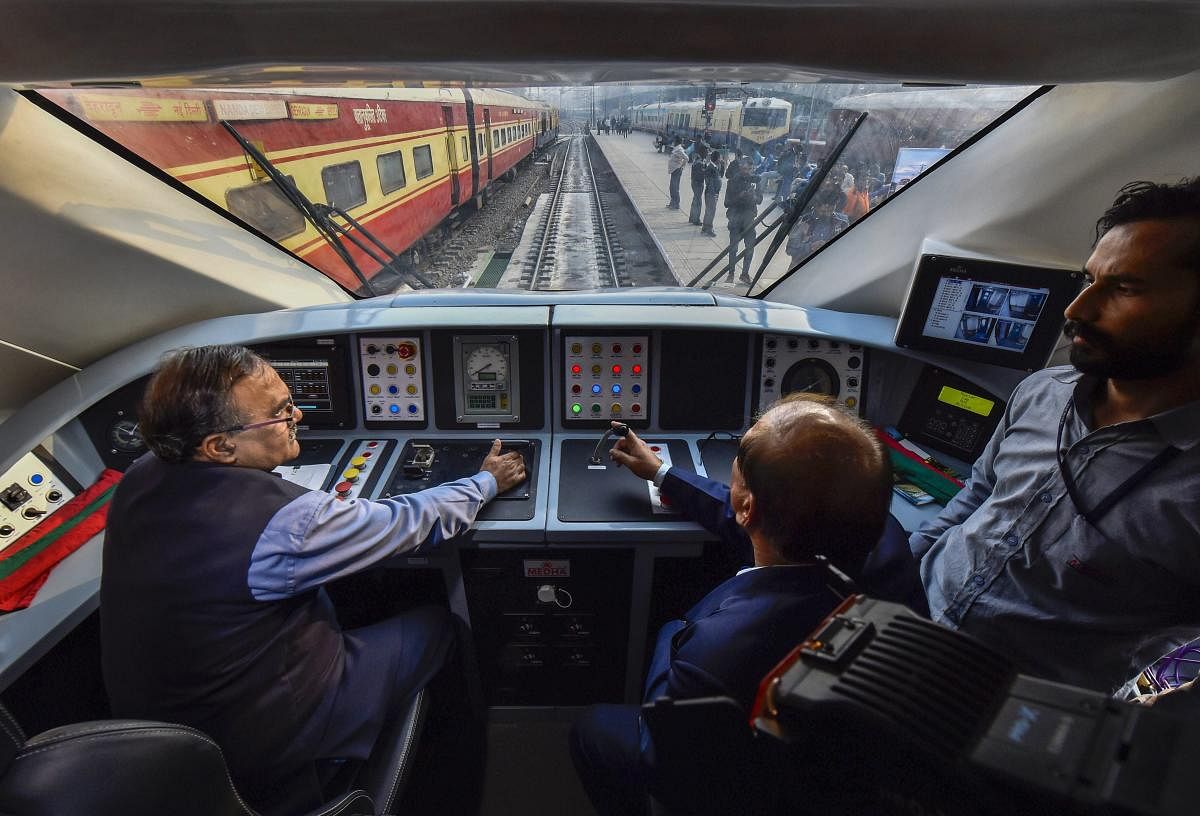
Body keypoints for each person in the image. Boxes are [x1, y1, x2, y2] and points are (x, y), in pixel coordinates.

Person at [101, 344, 526, 814]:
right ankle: (445, 787)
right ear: (220, 446)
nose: (298, 415)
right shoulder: (284, 524)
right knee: (440, 627)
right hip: (266, 741)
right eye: (281, 413)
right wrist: (484, 482)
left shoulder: (139, 476)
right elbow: (409, 524)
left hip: (173, 736)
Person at [911, 178, 1200, 693]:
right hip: (909, 620)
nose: (1077, 310)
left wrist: (1109, 713)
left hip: (1012, 705)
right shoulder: (1042, 391)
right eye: (1089, 279)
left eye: (1124, 288)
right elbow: (979, 496)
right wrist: (909, 564)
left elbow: (1183, 660)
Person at [570, 395, 892, 816]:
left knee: (592, 729)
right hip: (839, 762)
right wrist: (662, 473)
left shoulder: (708, 659)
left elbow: (661, 743)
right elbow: (759, 515)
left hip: (745, 784)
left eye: (736, 472)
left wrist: (670, 631)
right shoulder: (884, 543)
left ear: (748, 506)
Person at [723, 156, 760, 284]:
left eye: (750, 169)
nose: (747, 172)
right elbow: (727, 203)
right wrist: (740, 196)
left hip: (749, 220)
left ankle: (745, 274)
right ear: (740, 168)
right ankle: (731, 273)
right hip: (736, 219)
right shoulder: (732, 182)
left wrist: (753, 195)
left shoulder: (755, 181)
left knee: (750, 248)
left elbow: (759, 199)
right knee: (733, 249)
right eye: (745, 169)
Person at [700, 148, 723, 237]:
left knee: (709, 211)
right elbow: (710, 183)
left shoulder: (714, 167)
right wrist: (714, 194)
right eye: (720, 158)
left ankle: (705, 227)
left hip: (712, 193)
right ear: (717, 159)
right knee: (711, 211)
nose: (721, 159)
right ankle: (709, 228)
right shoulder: (711, 168)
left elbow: (720, 175)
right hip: (711, 193)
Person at [688, 143, 709, 225]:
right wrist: (706, 170)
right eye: (706, 152)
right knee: (698, 202)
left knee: (695, 200)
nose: (707, 153)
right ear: (703, 152)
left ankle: (692, 217)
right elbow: (699, 173)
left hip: (696, 183)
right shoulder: (699, 162)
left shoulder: (699, 160)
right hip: (697, 183)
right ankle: (696, 219)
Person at [666, 137, 687, 210]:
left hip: (676, 170)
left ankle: (676, 204)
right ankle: (672, 203)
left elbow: (686, 158)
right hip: (674, 170)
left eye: (674, 140)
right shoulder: (677, 148)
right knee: (672, 187)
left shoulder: (679, 149)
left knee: (675, 187)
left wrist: (682, 166)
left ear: (676, 141)